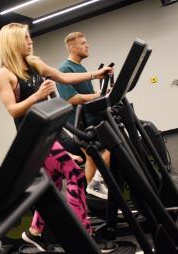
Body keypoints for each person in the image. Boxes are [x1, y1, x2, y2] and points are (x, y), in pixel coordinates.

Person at [0, 23, 116, 253]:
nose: (31, 41)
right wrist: (38, 96)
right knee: (77, 177)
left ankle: (34, 233)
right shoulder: (4, 75)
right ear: (13, 42)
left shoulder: (34, 63)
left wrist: (96, 74)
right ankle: (84, 238)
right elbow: (13, 110)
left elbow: (64, 78)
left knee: (54, 185)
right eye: (26, 38)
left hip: (50, 134)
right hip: (33, 139)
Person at [56, 32, 111, 200]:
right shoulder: (65, 69)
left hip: (91, 118)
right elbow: (72, 98)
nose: (87, 46)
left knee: (102, 152)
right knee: (93, 156)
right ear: (72, 47)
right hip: (80, 122)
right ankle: (92, 194)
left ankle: (96, 187)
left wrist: (101, 93)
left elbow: (86, 93)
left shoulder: (81, 67)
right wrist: (97, 95)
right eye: (83, 43)